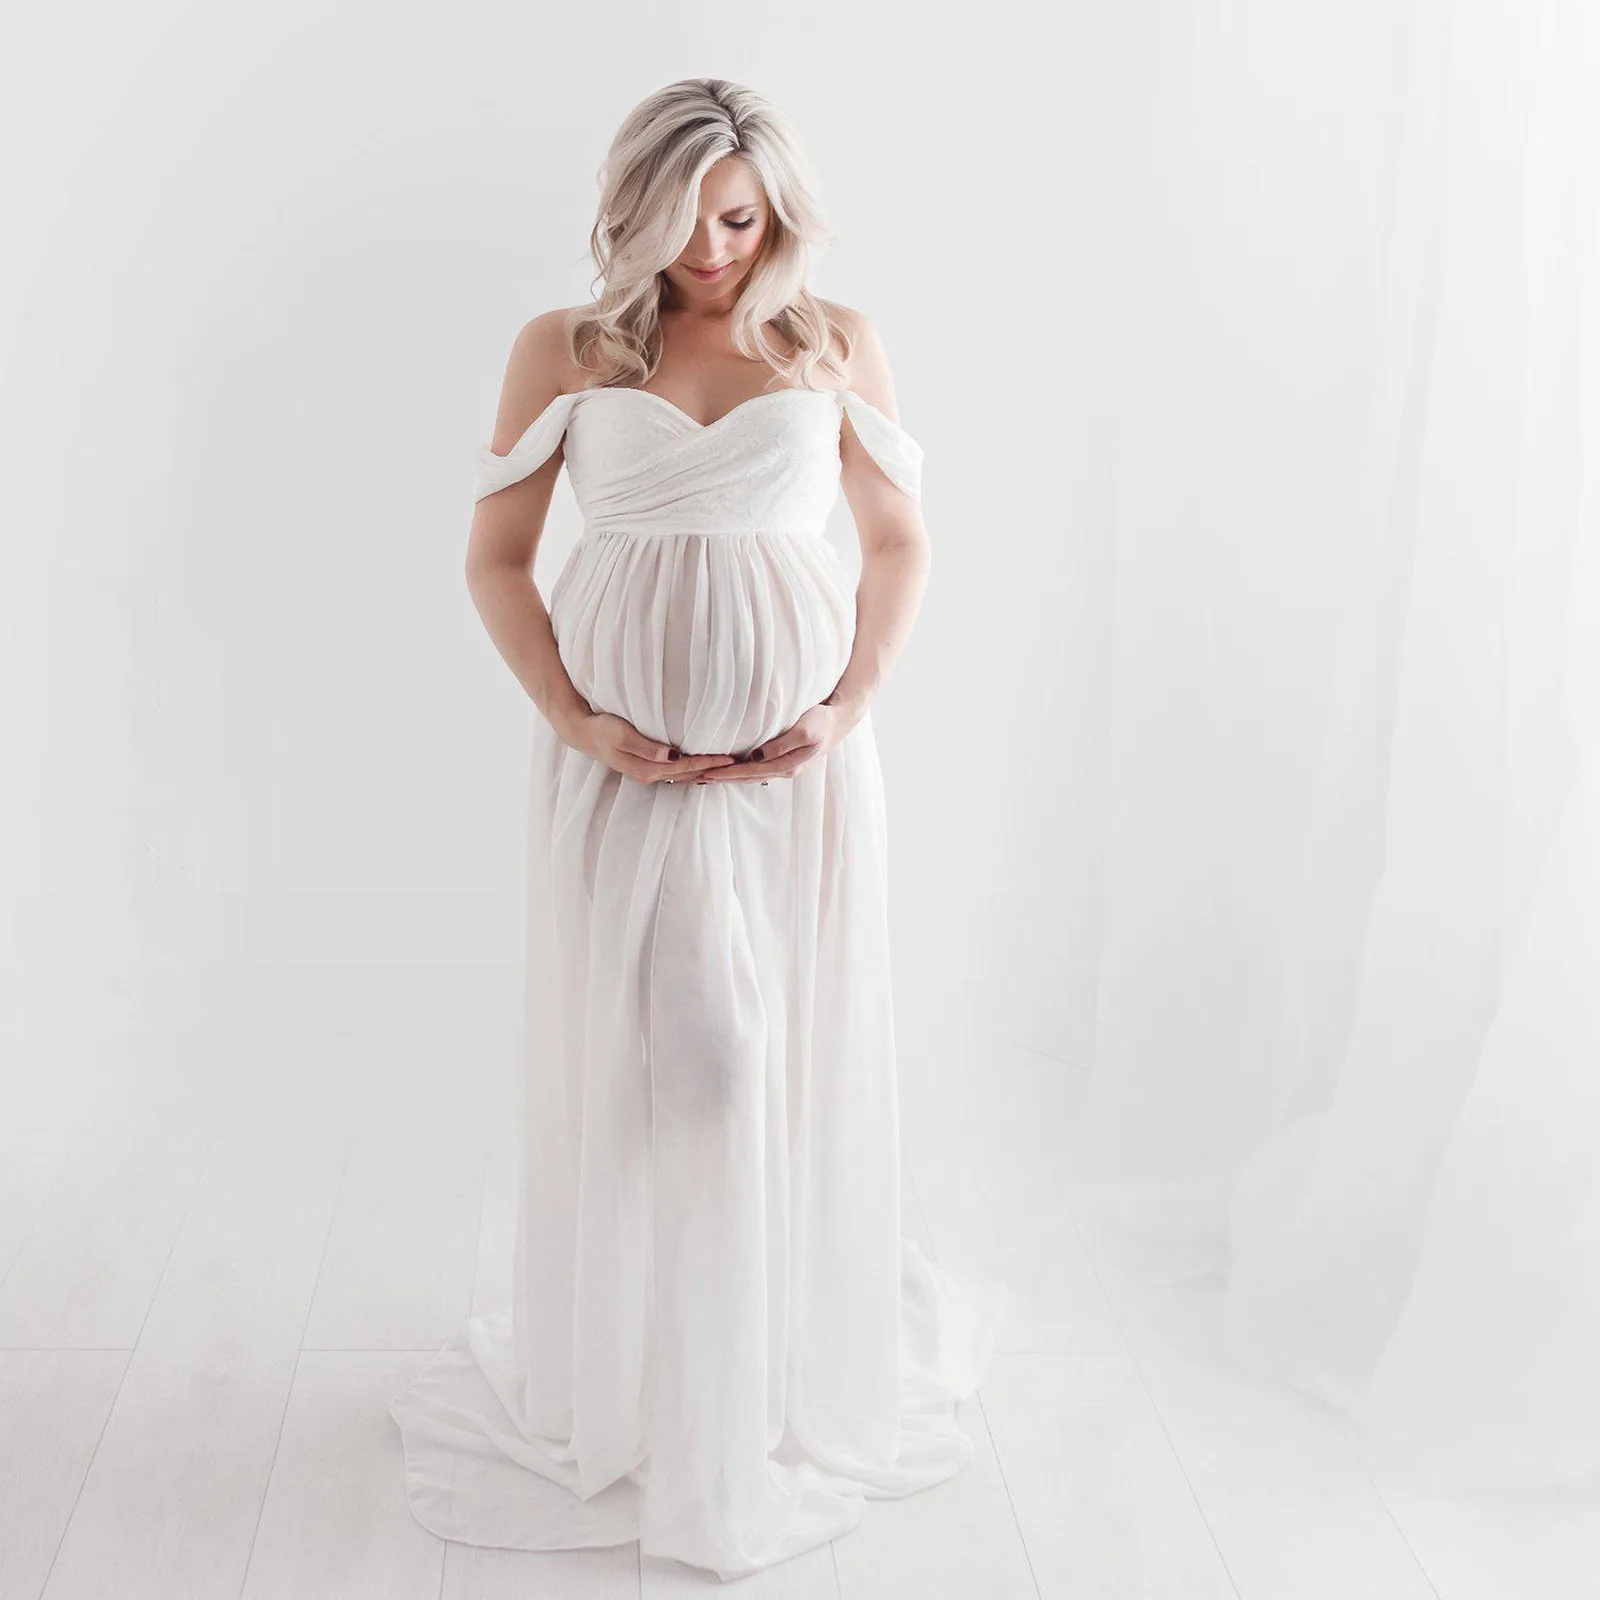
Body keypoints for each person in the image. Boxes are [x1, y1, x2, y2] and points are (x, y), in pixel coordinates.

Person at [388, 77, 1008, 1583]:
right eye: (681, 221)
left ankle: (755, 1388)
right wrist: (575, 716)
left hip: (798, 779)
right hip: (625, 776)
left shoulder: (832, 341)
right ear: (631, 211)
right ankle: (663, 1400)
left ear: (776, 208)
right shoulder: (568, 348)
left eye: (738, 218)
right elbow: (496, 558)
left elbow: (898, 539)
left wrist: (847, 704)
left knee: (764, 1069)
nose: (713, 250)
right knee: (677, 1073)